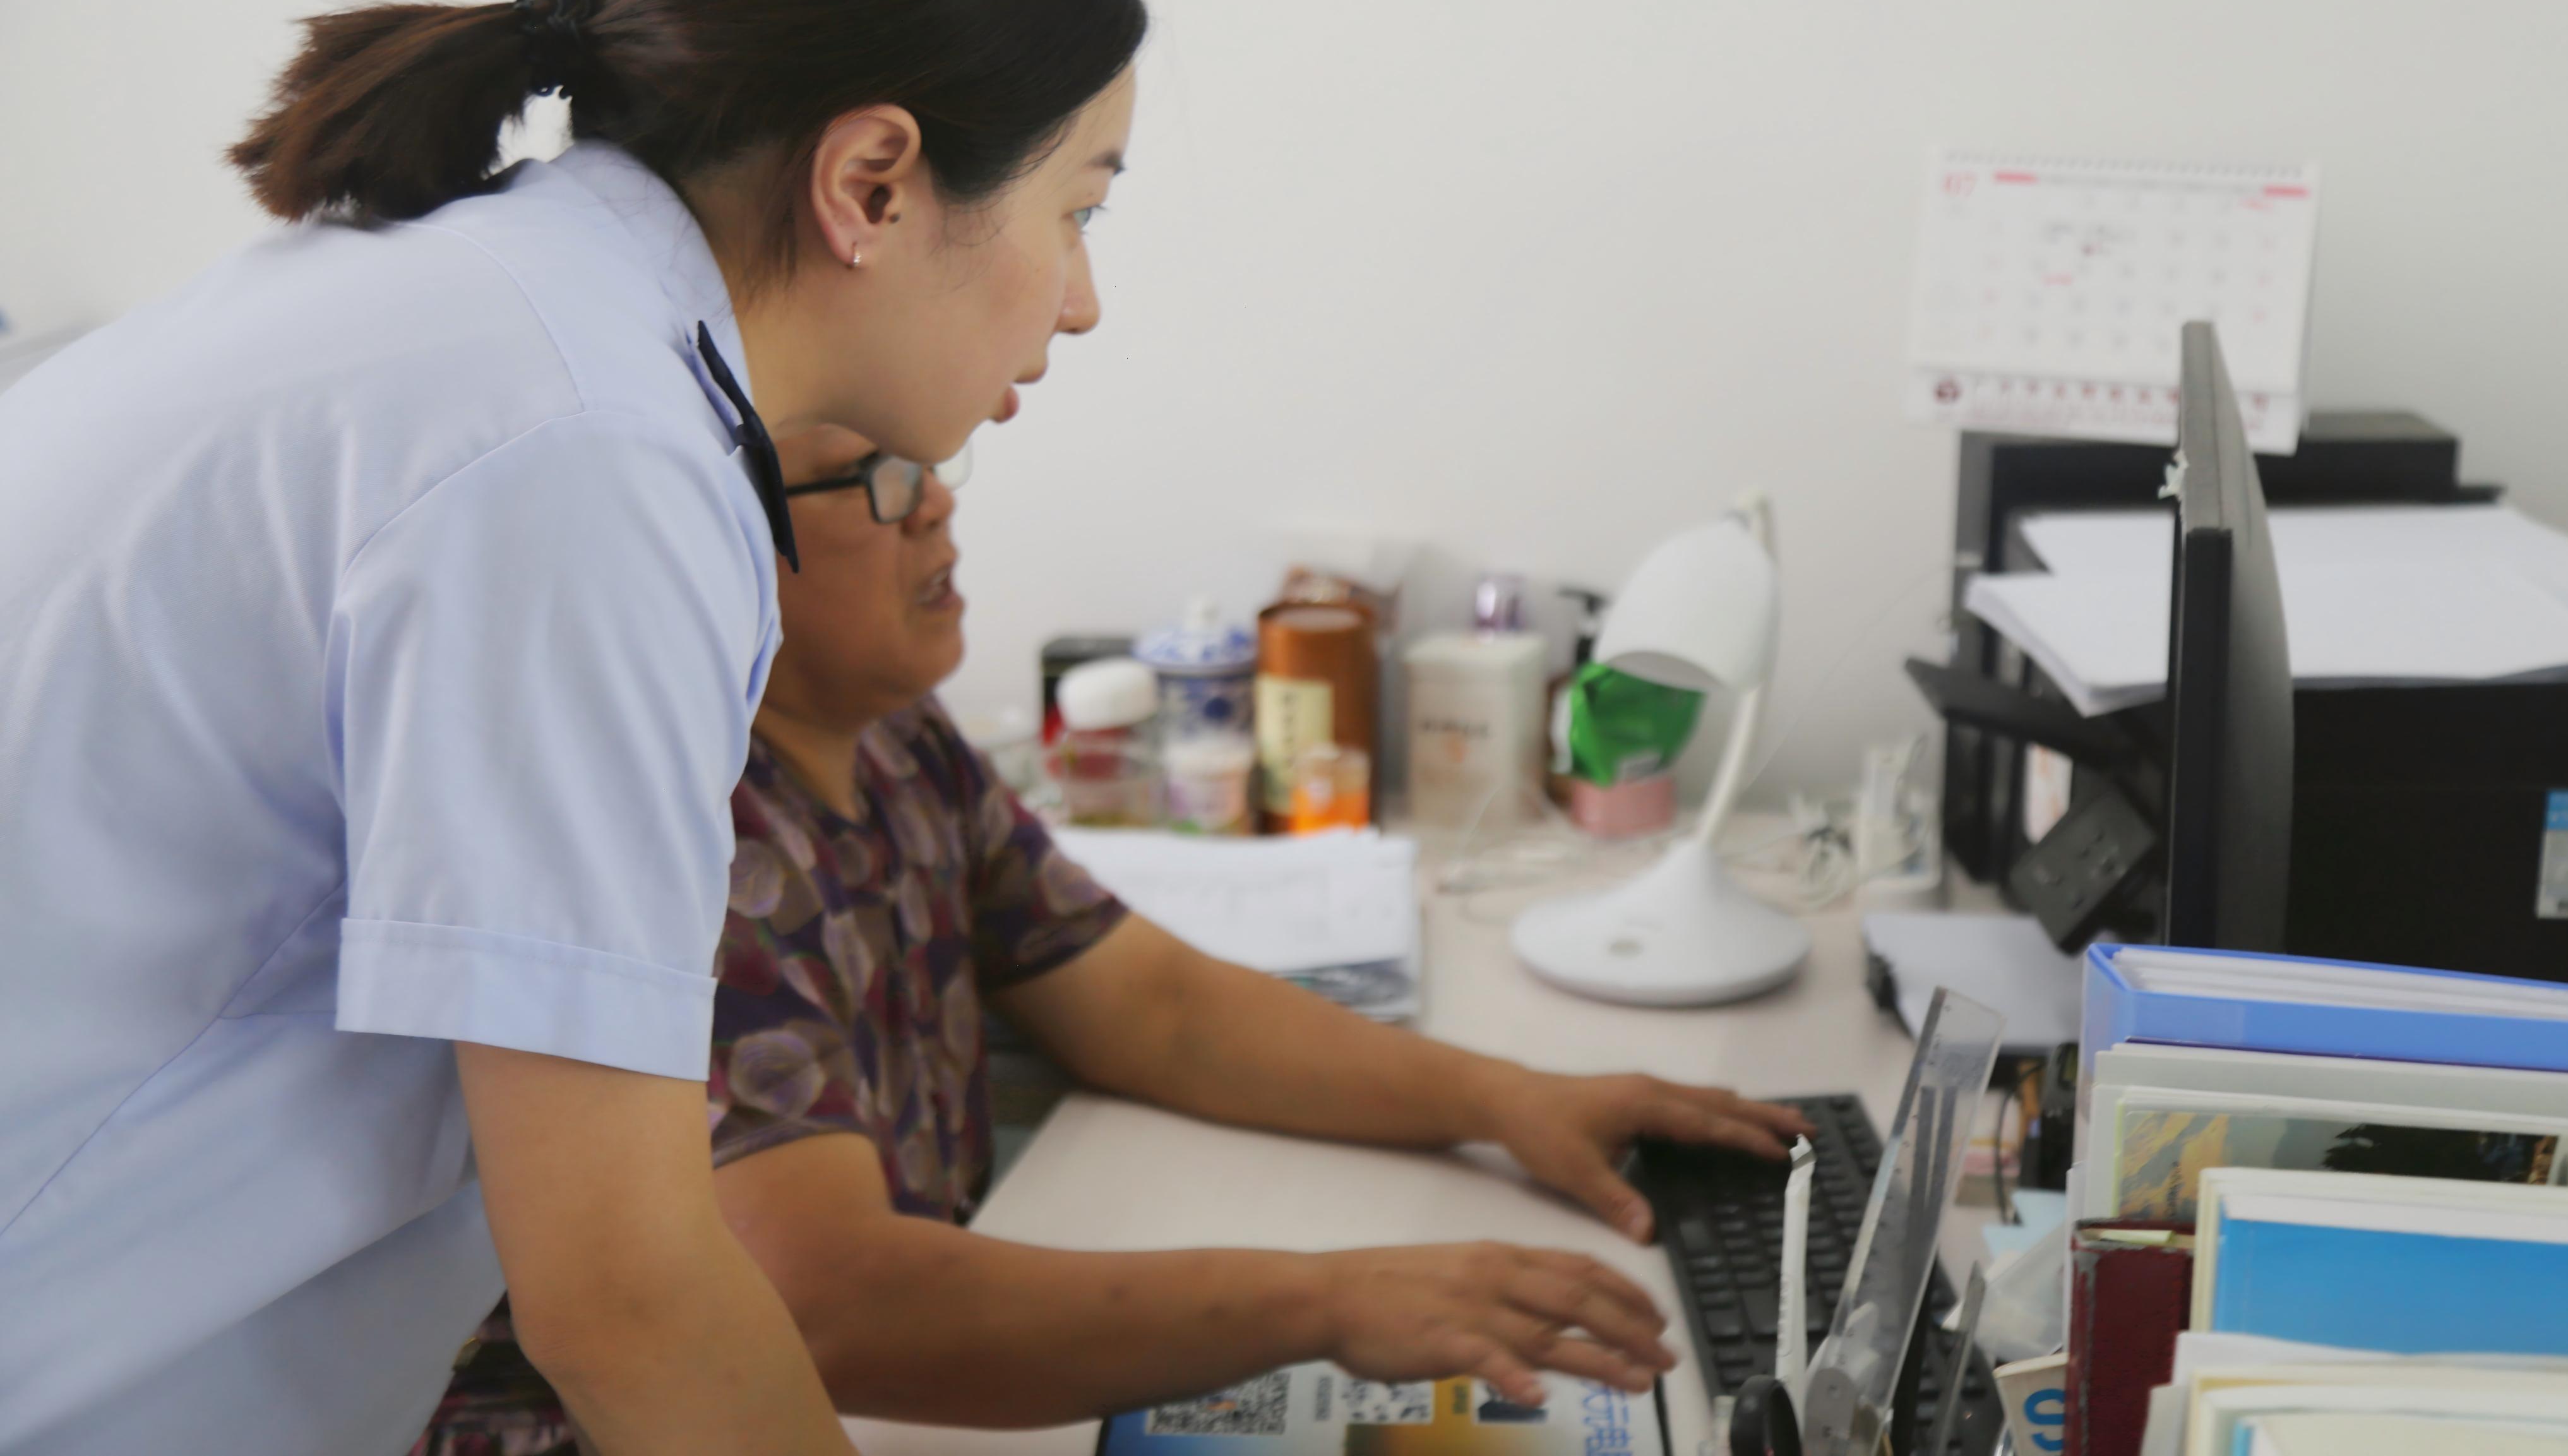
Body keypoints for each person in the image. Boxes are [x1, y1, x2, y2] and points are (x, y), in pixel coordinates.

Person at [0, 0, 1145, 1456]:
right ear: (873, 182)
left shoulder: (499, 320)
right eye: (1080, 209)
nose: (1083, 298)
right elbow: (624, 1296)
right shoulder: (585, 448)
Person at [415, 429, 1812, 1452]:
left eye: (929, 463)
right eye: (877, 478)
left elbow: (1151, 1005)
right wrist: (1328, 1301)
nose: (937, 501)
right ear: (709, 541)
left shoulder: (892, 739)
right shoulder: (688, 839)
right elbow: (827, 1301)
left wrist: (1510, 1100)